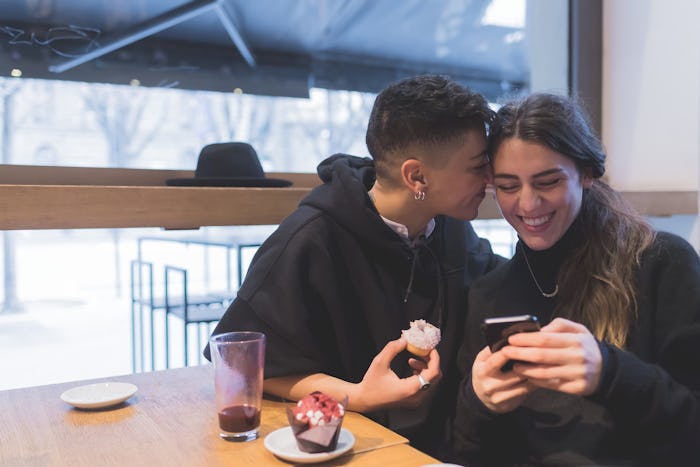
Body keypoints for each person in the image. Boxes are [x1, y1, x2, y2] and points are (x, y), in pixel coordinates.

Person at [204, 74, 504, 457]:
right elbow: (240, 361)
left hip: (442, 445)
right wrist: (359, 395)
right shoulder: (312, 240)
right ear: (418, 176)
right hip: (347, 446)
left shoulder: (449, 227)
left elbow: (494, 281)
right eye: (478, 167)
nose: (490, 180)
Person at [452, 92, 700, 466]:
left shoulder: (662, 264)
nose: (528, 204)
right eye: (508, 186)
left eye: (547, 181)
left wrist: (610, 373)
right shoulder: (489, 294)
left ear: (586, 173)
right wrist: (478, 402)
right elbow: (467, 454)